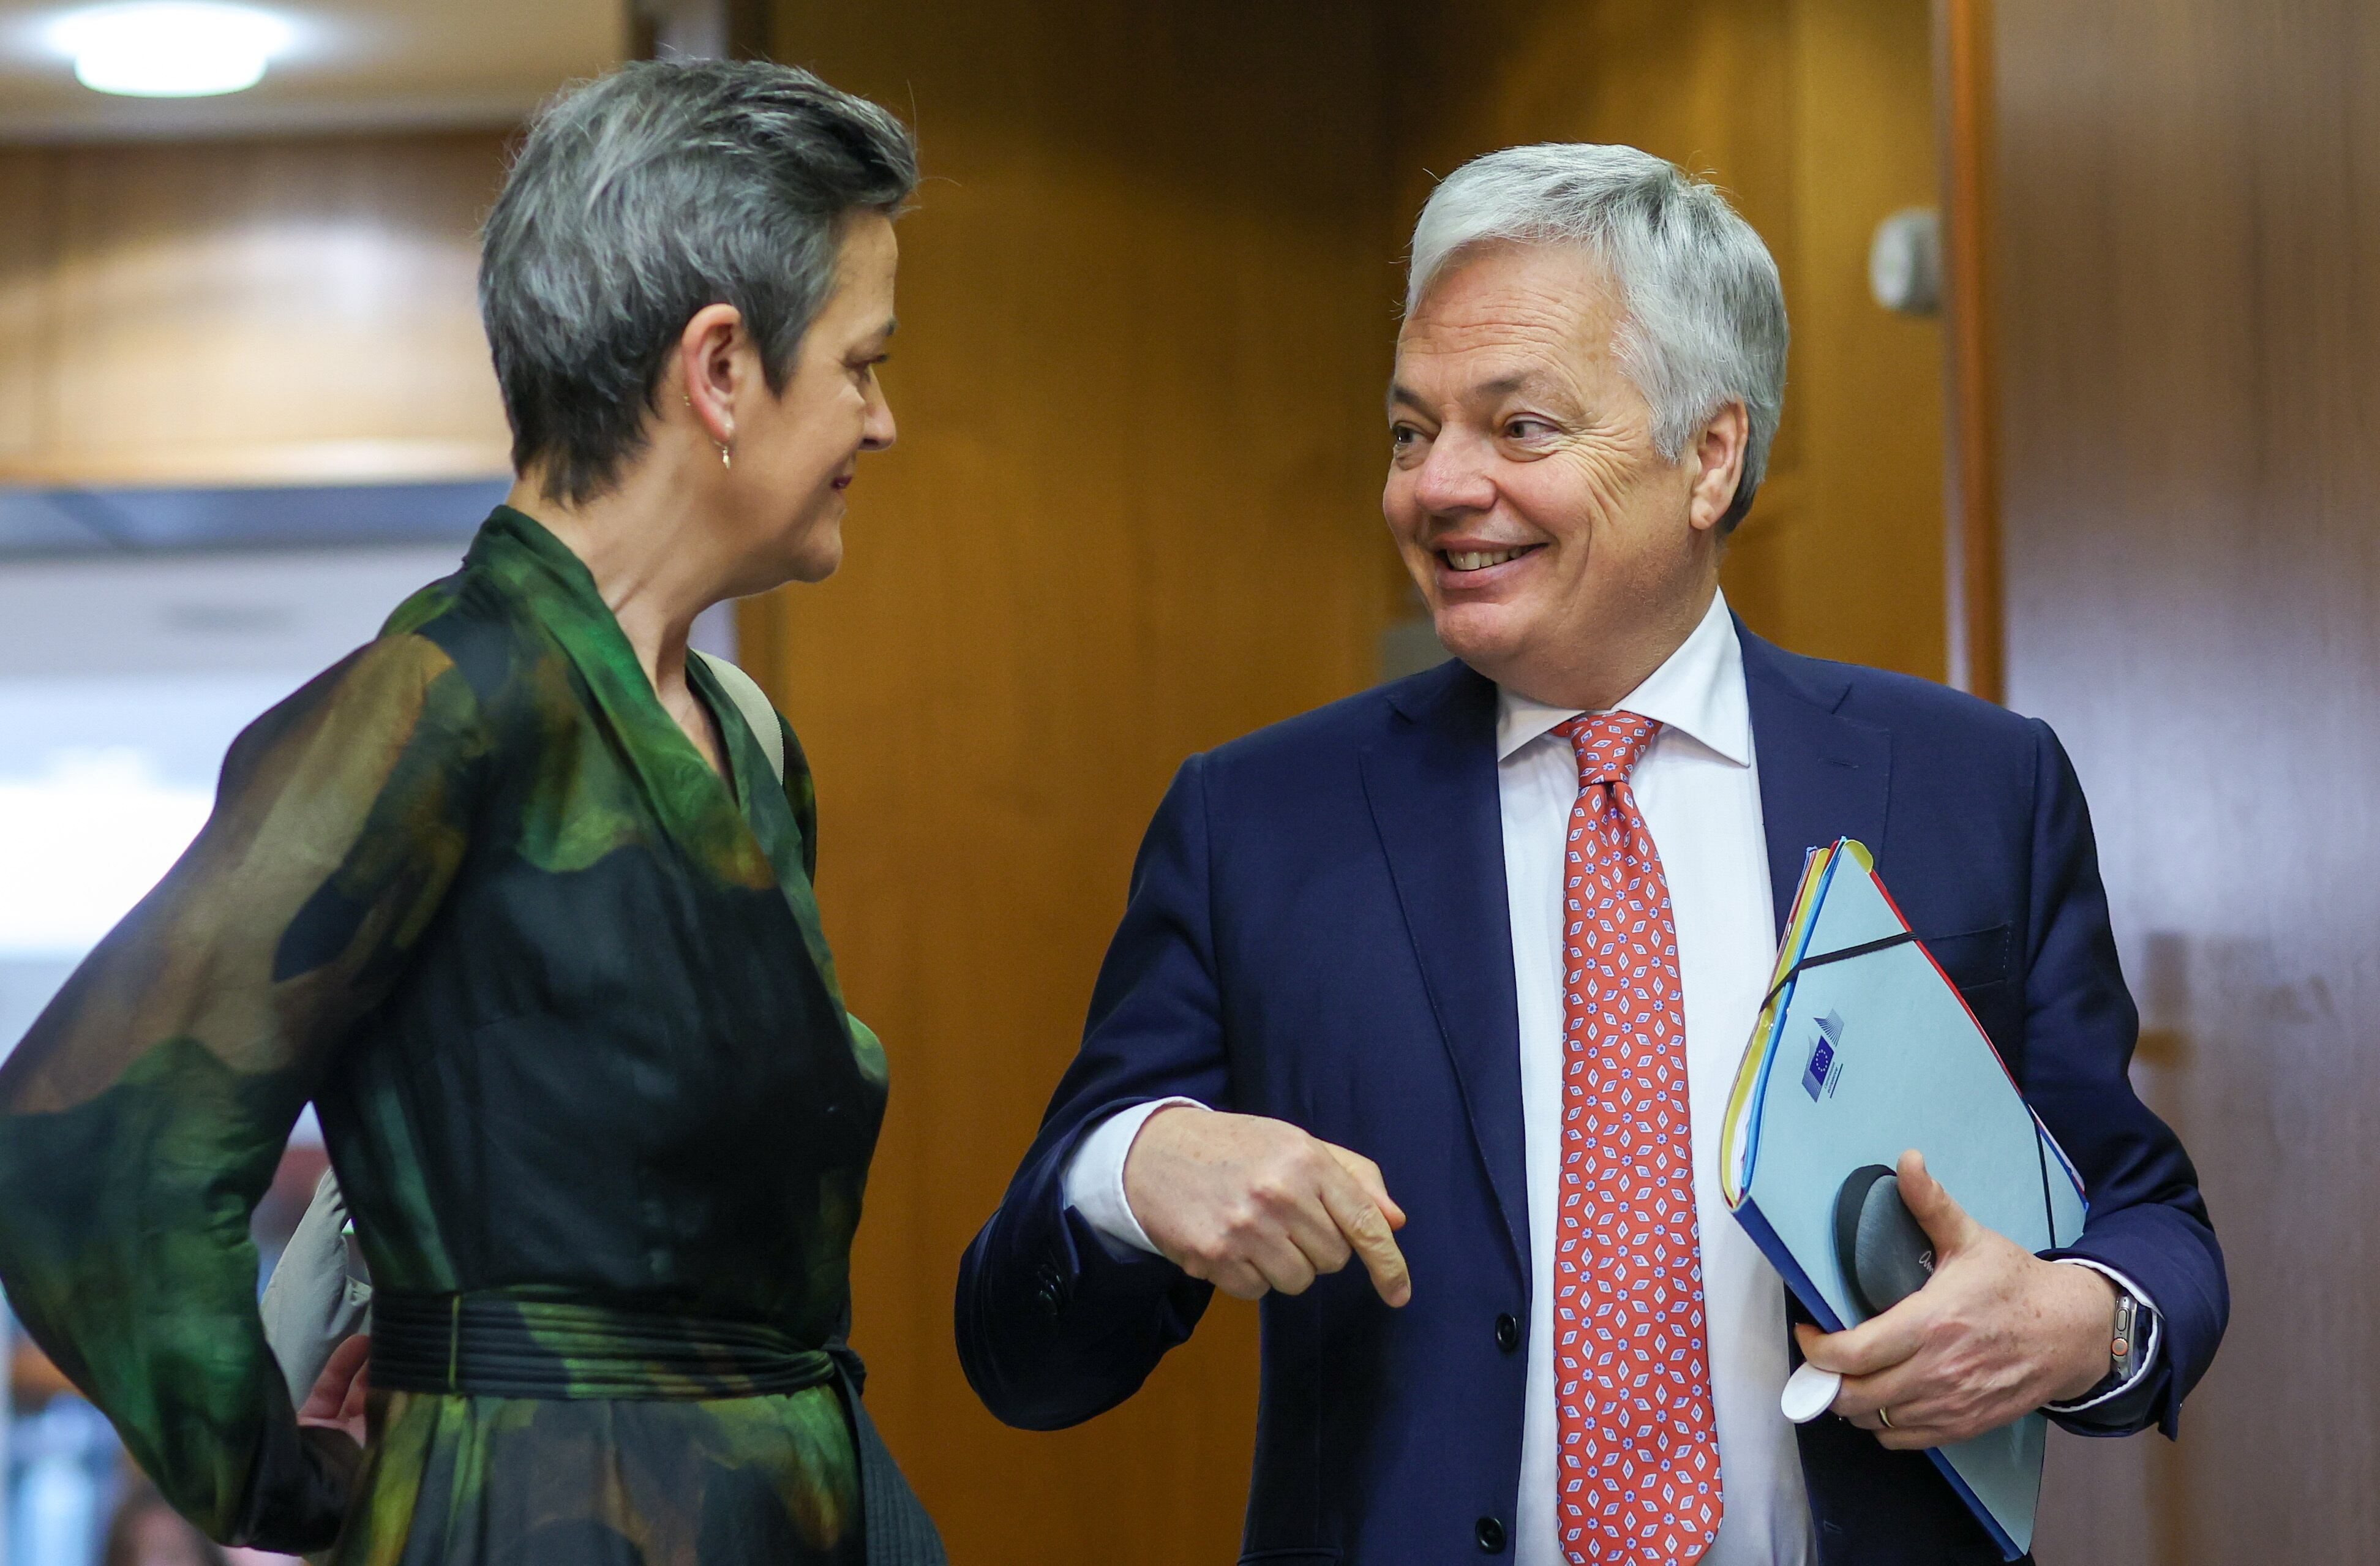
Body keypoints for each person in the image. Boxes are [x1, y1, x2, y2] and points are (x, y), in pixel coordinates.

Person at [955, 144, 2226, 1565]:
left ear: (1710, 457)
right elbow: (1026, 1358)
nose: (1438, 487)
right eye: (1407, 431)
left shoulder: (1973, 785)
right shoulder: (1257, 823)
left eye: (1521, 427)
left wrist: (2082, 1320)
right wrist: (1130, 1168)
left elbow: (2144, 1215)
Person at [0, 59, 944, 1565]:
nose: (881, 422)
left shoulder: (745, 739)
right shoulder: (437, 700)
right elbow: (85, 1151)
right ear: (719, 369)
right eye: (861, 361)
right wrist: (281, 1480)